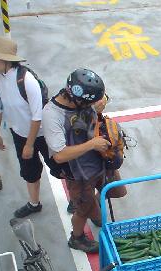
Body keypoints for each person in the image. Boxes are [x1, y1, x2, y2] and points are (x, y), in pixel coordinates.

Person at [42, 68, 114, 254]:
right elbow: (59, 155)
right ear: (78, 99)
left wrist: (104, 100)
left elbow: (98, 102)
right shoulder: (52, 115)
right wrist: (92, 144)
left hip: (98, 161)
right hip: (77, 172)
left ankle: (92, 206)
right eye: (89, 103)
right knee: (81, 212)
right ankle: (77, 238)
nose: (92, 105)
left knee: (117, 190)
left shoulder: (80, 98)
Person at [0, 36, 53, 218]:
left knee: (60, 167)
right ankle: (34, 203)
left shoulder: (26, 80)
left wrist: (29, 144)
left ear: (7, 60)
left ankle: (76, 201)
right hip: (19, 133)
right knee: (29, 172)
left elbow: (37, 116)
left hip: (43, 133)